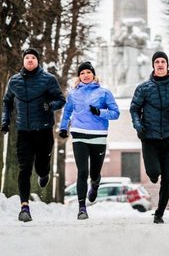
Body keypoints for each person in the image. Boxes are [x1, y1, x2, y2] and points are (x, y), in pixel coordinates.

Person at [1, 48, 66, 222]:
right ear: (23, 61)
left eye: (33, 58)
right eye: (27, 58)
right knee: (24, 169)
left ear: (38, 61)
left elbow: (61, 100)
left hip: (44, 130)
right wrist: (5, 121)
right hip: (24, 132)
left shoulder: (48, 79)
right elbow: (7, 102)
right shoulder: (14, 81)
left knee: (41, 165)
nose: (30, 60)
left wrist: (50, 105)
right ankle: (24, 208)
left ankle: (44, 174)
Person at [130, 51, 169, 224]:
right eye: (157, 61)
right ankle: (153, 174)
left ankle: (159, 213)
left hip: (168, 139)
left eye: (163, 61)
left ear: (167, 64)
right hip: (149, 138)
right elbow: (134, 109)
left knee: (168, 179)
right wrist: (138, 125)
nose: (160, 64)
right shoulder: (143, 88)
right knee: (154, 173)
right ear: (153, 65)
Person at [59, 61, 120, 220]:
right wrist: (64, 128)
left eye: (88, 72)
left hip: (99, 135)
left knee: (94, 172)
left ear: (93, 75)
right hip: (79, 134)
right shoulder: (73, 94)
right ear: (79, 77)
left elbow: (115, 113)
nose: (85, 75)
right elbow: (67, 113)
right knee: (82, 172)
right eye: (82, 73)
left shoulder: (104, 93)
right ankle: (82, 208)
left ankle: (95, 183)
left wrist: (100, 112)